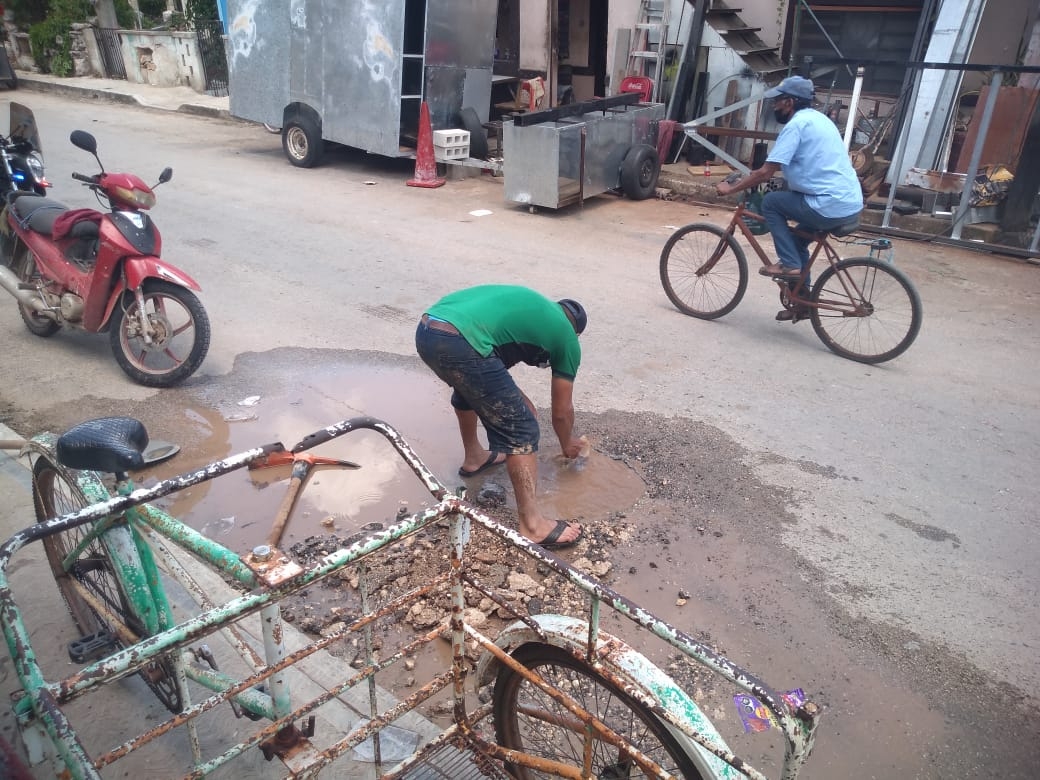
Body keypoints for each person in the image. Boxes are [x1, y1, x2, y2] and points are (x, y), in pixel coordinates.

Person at [415, 285, 586, 550]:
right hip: (460, 340)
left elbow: (485, 374)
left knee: (471, 389)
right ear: (575, 330)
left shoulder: (536, 311)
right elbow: (562, 412)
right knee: (521, 426)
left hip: (429, 329)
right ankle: (532, 525)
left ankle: (475, 457)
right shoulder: (567, 338)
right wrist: (568, 444)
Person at [715, 75, 863, 320]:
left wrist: (729, 189)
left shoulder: (796, 126)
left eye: (779, 102)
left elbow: (766, 172)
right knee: (796, 240)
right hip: (848, 202)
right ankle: (803, 302)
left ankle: (790, 265)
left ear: (791, 102)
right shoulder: (820, 120)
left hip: (827, 204)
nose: (775, 106)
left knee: (772, 203)